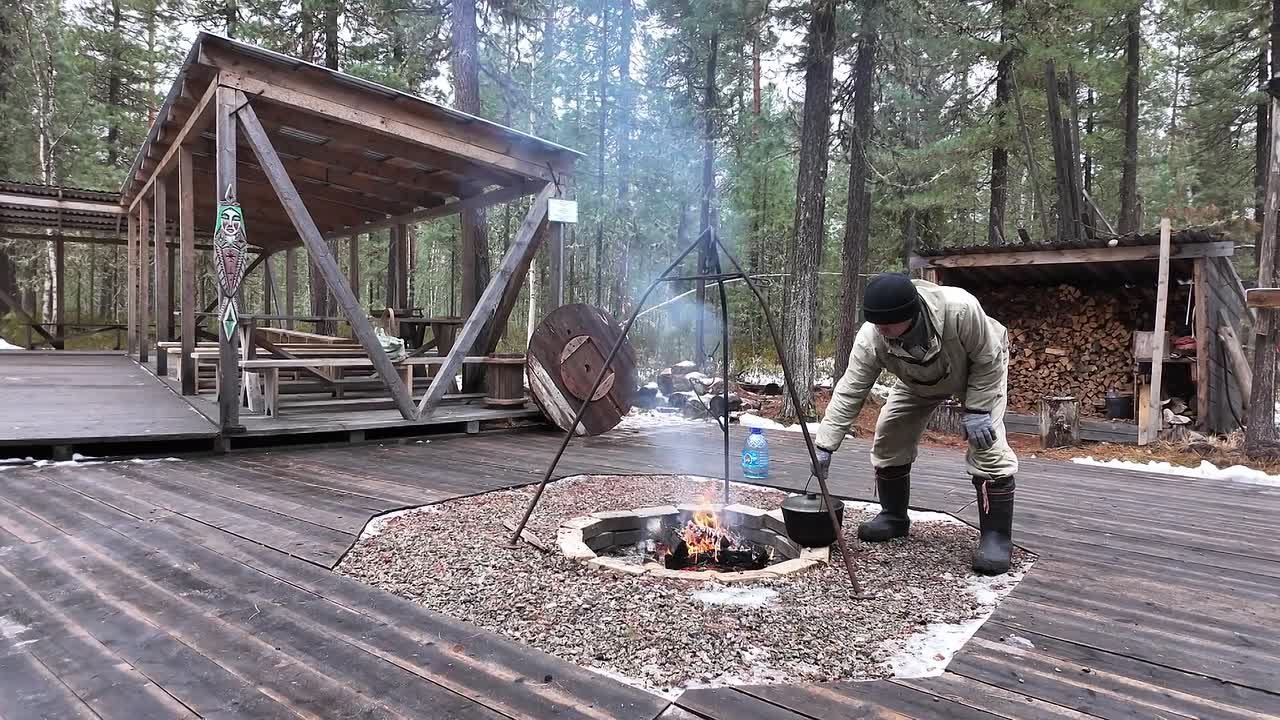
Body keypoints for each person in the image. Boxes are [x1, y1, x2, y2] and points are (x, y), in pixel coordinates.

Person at [812, 273, 1017, 575]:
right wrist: (825, 444)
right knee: (890, 435)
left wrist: (977, 410)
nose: (880, 331)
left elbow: (988, 359)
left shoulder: (960, 310)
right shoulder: (873, 337)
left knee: (987, 445)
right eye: (876, 324)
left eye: (887, 325)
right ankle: (894, 517)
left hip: (976, 373)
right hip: (917, 381)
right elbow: (851, 389)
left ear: (911, 313)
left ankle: (997, 537)